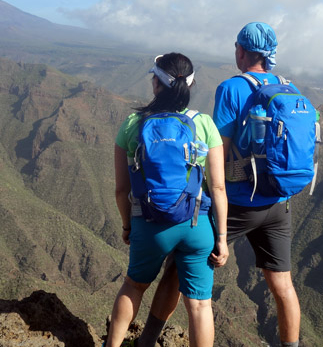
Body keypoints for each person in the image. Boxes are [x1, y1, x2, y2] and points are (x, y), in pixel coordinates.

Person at [140, 23, 302, 347]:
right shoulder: (290, 88)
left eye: (236, 47)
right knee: (282, 285)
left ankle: (146, 340)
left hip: (240, 202)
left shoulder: (231, 89)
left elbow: (219, 151)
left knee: (179, 264)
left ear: (242, 50)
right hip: (277, 201)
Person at [107, 52, 229, 347]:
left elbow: (121, 190)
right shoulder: (203, 124)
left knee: (134, 286)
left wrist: (127, 226)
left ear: (157, 84)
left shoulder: (133, 123)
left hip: (148, 225)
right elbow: (219, 188)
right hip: (196, 225)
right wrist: (221, 238)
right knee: (200, 306)